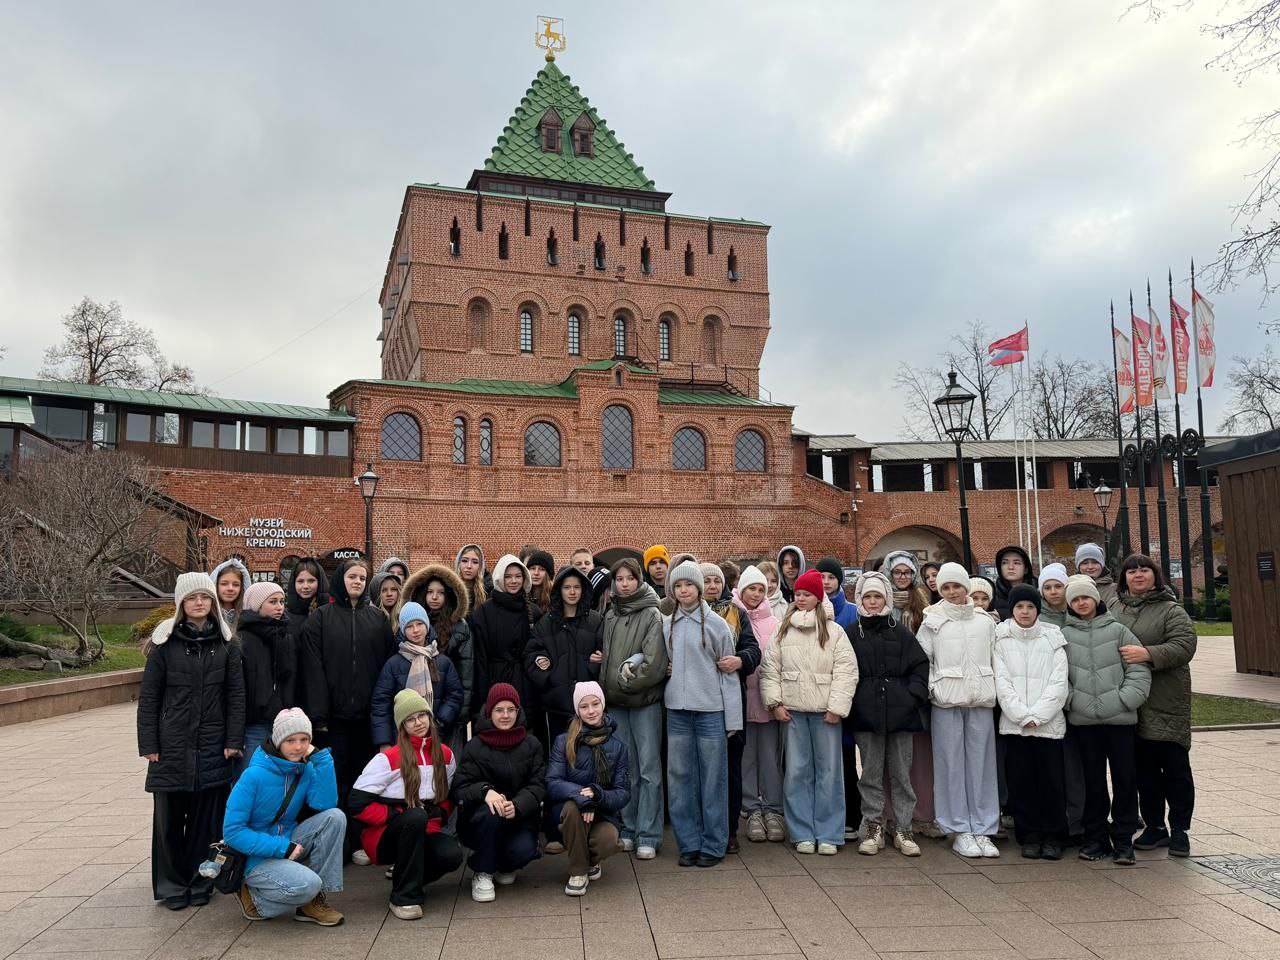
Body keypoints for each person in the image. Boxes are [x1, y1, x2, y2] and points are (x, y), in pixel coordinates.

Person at [138, 572, 246, 909]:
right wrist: (149, 745)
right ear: (181, 604)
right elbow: (150, 699)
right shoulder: (164, 645)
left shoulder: (227, 645)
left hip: (213, 745)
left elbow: (236, 697)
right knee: (168, 823)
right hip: (171, 746)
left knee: (205, 824)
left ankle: (201, 882)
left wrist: (232, 739)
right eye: (192, 598)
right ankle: (172, 886)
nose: (199, 603)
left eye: (204, 597)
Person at [759, 569, 858, 855]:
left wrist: (837, 708)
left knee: (829, 773)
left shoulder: (833, 630)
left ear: (818, 597)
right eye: (798, 594)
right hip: (792, 712)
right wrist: (775, 704)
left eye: (807, 595)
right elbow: (770, 669)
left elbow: (846, 671)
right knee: (797, 773)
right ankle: (802, 830)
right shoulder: (783, 628)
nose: (801, 599)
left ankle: (829, 832)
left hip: (825, 712)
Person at [224, 708, 346, 925]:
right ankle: (255, 898)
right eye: (290, 740)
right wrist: (281, 847)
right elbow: (233, 832)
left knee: (335, 817)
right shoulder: (253, 775)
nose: (298, 746)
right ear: (278, 741)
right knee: (306, 885)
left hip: (287, 841)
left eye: (304, 739)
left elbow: (324, 804)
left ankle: (313, 902)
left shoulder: (304, 769)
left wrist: (322, 760)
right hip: (255, 857)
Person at [1111, 554, 1198, 858]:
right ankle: (1154, 827)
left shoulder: (1170, 610)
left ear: (1155, 576)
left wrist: (1147, 653)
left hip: (1164, 700)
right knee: (1143, 772)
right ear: (1124, 578)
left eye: (1144, 570)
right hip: (1131, 704)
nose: (1137, 575)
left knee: (1175, 769)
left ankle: (1180, 830)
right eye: (1131, 571)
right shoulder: (1114, 609)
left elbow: (1184, 645)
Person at [1061, 576, 1151, 864]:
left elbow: (1138, 669)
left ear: (1096, 599)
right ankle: (1095, 837)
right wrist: (1072, 700)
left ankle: (1123, 839)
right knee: (1092, 783)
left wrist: (1125, 699)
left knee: (1125, 780)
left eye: (1085, 597)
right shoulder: (1064, 636)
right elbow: (1058, 676)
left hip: (1120, 721)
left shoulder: (1119, 631)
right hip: (1084, 721)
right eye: (1075, 599)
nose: (1081, 603)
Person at [351, 690, 463, 919]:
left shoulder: (446, 755)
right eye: (410, 719)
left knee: (451, 854)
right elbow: (356, 804)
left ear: (430, 717)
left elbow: (448, 798)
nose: (418, 722)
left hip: (424, 830)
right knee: (414, 816)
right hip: (383, 837)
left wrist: (439, 812)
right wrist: (395, 814)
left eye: (422, 715)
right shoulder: (387, 759)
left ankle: (408, 876)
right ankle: (403, 897)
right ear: (402, 726)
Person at [916, 562, 1000, 859]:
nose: (952, 592)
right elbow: (922, 661)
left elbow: (996, 658)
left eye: (957, 586)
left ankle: (983, 827)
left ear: (967, 587)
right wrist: (933, 690)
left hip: (980, 700)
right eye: (946, 587)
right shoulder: (932, 621)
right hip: (947, 701)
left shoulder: (985, 621)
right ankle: (958, 828)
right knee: (950, 765)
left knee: (982, 766)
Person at [663, 560, 743, 866]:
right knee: (680, 778)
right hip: (678, 712)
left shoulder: (717, 626)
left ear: (699, 589)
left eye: (689, 585)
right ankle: (688, 842)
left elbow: (728, 673)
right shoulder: (666, 624)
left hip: (711, 711)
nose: (684, 591)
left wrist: (732, 720)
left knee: (713, 779)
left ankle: (713, 842)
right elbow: (662, 660)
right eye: (678, 586)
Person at [302, 559, 396, 816]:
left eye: (362, 578)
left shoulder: (378, 619)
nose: (357, 582)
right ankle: (336, 840)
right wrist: (319, 715)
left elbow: (387, 670)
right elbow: (313, 669)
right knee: (334, 779)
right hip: (334, 719)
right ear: (340, 580)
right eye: (352, 576)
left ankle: (358, 839)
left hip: (367, 719)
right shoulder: (320, 618)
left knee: (364, 780)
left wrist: (382, 715)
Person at [847, 571, 929, 858]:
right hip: (866, 714)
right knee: (869, 774)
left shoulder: (901, 633)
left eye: (877, 596)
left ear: (886, 599)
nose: (872, 602)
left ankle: (903, 827)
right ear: (860, 599)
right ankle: (873, 825)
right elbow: (845, 670)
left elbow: (920, 666)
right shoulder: (852, 633)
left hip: (900, 714)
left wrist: (911, 696)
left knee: (900, 774)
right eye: (867, 596)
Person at [993, 585, 1070, 861]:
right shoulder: (1001, 640)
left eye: (1030, 607)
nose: (1024, 612)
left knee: (1051, 782)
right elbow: (1001, 682)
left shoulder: (1052, 639)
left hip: (1047, 726)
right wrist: (1022, 716)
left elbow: (1059, 682)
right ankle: (1029, 834)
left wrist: (1038, 715)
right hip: (1015, 726)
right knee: (1021, 783)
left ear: (1037, 610)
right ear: (1012, 610)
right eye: (1019, 607)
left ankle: (1053, 835)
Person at [452, 684, 546, 902]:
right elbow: (459, 788)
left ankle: (502, 864)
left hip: (518, 819)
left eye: (511, 710)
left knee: (524, 850)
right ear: (489, 712)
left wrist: (519, 804)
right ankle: (483, 871)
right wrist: (485, 792)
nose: (505, 715)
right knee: (492, 811)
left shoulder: (532, 744)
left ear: (518, 711)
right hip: (482, 820)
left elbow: (538, 784)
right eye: (499, 710)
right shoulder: (474, 746)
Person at [600, 557, 667, 859]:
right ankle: (628, 827)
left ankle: (649, 833)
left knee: (650, 769)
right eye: (620, 579)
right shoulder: (611, 614)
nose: (624, 583)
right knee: (625, 770)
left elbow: (654, 664)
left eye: (630, 578)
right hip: (616, 704)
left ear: (639, 580)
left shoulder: (652, 613)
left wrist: (622, 683)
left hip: (643, 703)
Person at [545, 682, 631, 896]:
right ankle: (578, 872)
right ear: (577, 710)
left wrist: (597, 796)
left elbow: (623, 792)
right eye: (584, 706)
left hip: (602, 812)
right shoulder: (563, 741)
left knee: (609, 841)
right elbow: (552, 782)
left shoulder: (618, 747)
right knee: (575, 810)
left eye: (595, 704)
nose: (591, 711)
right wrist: (582, 798)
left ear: (603, 705)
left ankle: (589, 859)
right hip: (569, 809)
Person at [879, 552, 942, 841]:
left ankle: (924, 814)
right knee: (892, 757)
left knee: (921, 758)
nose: (902, 577)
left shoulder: (923, 604)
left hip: (917, 690)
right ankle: (892, 815)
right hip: (889, 691)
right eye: (897, 572)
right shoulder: (879, 601)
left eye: (907, 572)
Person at [704, 562, 762, 855]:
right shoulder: (685, 614)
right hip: (699, 701)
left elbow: (753, 649)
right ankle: (705, 828)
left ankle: (728, 830)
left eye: (716, 580)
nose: (712, 585)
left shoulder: (736, 613)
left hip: (730, 701)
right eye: (706, 581)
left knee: (730, 769)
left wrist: (740, 661)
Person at [733, 565, 785, 843]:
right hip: (742, 699)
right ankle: (752, 808)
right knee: (746, 758)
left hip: (766, 700)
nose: (755, 593)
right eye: (751, 588)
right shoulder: (732, 616)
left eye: (760, 589)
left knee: (770, 758)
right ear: (741, 589)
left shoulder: (774, 622)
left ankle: (773, 809)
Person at [527, 566, 606, 745]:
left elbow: (604, 653)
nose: (572, 592)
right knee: (559, 755)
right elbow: (532, 653)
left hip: (589, 706)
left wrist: (593, 667)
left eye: (576, 587)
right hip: (557, 704)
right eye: (567, 587)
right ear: (558, 590)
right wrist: (548, 677)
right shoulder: (546, 623)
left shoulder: (595, 620)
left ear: (583, 590)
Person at [402, 564, 475, 748]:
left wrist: (460, 713)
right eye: (429, 592)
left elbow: (466, 673)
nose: (434, 597)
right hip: (416, 709)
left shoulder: (459, 626)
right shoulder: (412, 626)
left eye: (440, 593)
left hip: (449, 710)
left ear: (448, 595)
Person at [371, 603, 463, 747]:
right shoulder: (393, 665)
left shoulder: (442, 662)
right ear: (403, 630)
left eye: (419, 623)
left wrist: (439, 722)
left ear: (427, 625)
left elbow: (455, 695)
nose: (415, 630)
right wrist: (384, 742)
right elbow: (381, 704)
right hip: (402, 740)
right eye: (409, 626)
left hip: (436, 736)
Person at [471, 554, 544, 726]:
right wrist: (481, 698)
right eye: (508, 576)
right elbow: (480, 658)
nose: (513, 581)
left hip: (525, 684)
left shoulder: (534, 612)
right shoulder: (483, 613)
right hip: (493, 680)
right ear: (499, 577)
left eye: (518, 576)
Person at [235, 581, 296, 780]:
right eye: (273, 602)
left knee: (275, 782)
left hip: (281, 721)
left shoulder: (285, 637)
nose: (279, 606)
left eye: (281, 601)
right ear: (257, 605)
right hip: (253, 722)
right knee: (250, 777)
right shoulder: (242, 640)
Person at [284, 559, 328, 715]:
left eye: (311, 580)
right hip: (294, 691)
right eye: (300, 581)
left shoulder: (327, 614)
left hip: (323, 692)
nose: (305, 586)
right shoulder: (285, 617)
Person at [992, 547, 1036, 622]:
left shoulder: (1039, 593)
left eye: (1016, 563)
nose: (1010, 567)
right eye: (1005, 563)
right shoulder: (991, 596)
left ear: (1026, 569)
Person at [816, 557, 857, 629]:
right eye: (821, 577)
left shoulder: (855, 612)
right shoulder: (808, 610)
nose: (826, 582)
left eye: (831, 577)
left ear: (839, 580)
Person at [1074, 544, 1118, 610]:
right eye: (1085, 563)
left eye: (1095, 562)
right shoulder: (1072, 589)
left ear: (1102, 565)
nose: (1090, 567)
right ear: (1078, 567)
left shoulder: (1116, 590)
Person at [211, 557, 250, 630]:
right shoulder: (208, 615)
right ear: (215, 585)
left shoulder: (248, 616)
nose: (230, 588)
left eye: (236, 585)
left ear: (242, 587)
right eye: (224, 584)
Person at [455, 544, 490, 612]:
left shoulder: (488, 592)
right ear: (458, 563)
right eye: (465, 561)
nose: (469, 566)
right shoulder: (448, 589)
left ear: (480, 567)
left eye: (475, 562)